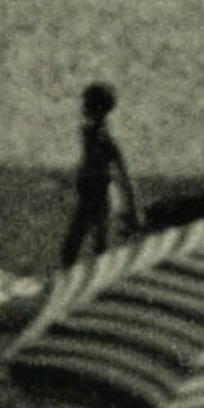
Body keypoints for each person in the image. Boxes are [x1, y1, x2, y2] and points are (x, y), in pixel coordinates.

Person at [62, 82, 144, 268]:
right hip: (92, 193)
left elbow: (119, 171)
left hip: (98, 195)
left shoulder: (101, 137)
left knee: (87, 244)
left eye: (88, 105)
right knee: (87, 244)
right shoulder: (93, 134)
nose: (83, 108)